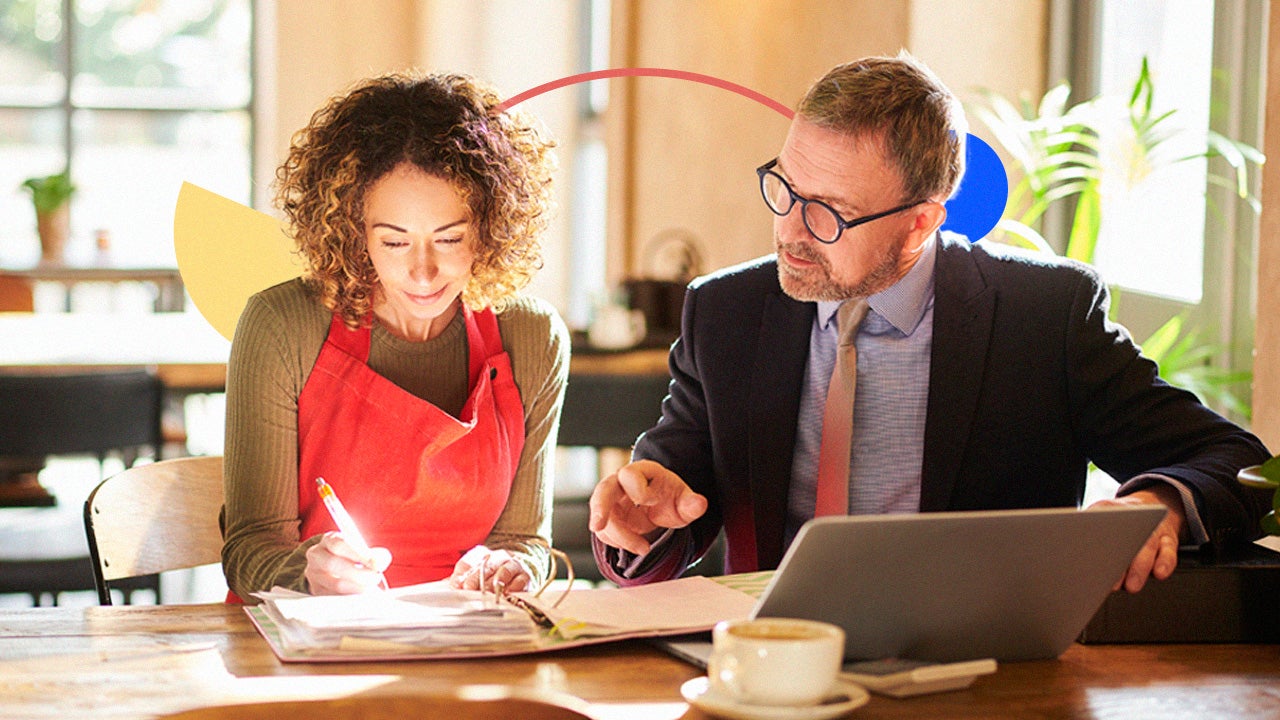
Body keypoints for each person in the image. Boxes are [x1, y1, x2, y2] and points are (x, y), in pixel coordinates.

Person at [588, 52, 1272, 592]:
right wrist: (638, 520)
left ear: (920, 224)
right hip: (771, 669)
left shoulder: (1043, 318)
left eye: (827, 211)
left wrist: (1159, 504)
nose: (790, 230)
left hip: (982, 672)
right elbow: (670, 497)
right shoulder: (726, 311)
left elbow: (1238, 463)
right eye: (785, 188)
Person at [221, 71, 567, 602]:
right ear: (354, 233)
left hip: (470, 635)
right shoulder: (282, 325)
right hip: (313, 635)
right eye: (394, 242)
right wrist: (307, 573)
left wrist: (514, 566)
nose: (423, 272)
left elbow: (526, 540)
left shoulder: (532, 336)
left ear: (491, 229)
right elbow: (248, 550)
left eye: (449, 239)